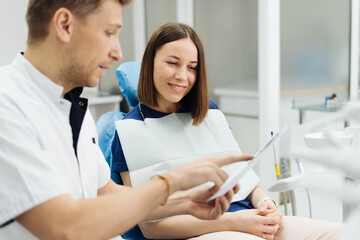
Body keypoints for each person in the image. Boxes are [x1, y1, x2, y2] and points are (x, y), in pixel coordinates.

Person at [0, 1, 255, 239]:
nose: (117, 52)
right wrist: (173, 181)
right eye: (109, 33)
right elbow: (65, 226)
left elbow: (108, 194)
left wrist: (186, 202)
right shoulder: (7, 104)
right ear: (65, 25)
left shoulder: (71, 107)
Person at [111, 22, 344, 240]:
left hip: (249, 218)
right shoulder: (130, 132)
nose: (183, 76)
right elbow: (151, 226)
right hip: (206, 231)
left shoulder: (208, 112)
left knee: (341, 233)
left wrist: (265, 202)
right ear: (150, 61)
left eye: (192, 67)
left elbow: (243, 176)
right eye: (172, 63)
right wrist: (233, 222)